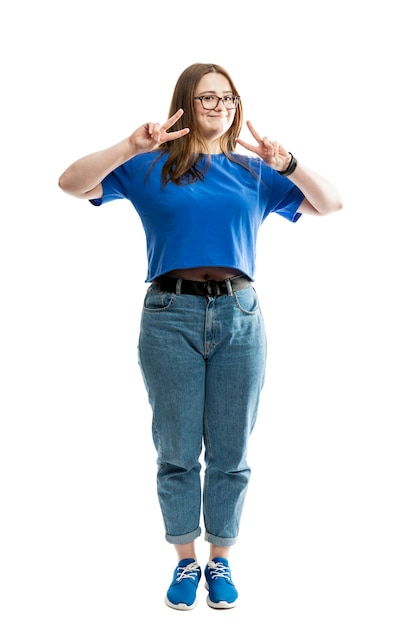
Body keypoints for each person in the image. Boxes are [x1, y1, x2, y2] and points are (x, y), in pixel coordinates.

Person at [58, 62, 342, 610]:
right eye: (208, 97)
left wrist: (288, 162)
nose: (220, 106)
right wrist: (129, 144)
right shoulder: (148, 166)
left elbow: (330, 203)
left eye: (229, 97)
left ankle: (222, 560)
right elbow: (70, 184)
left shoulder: (254, 173)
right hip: (169, 315)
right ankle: (185, 560)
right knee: (177, 450)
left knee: (232, 451)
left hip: (241, 314)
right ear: (186, 103)